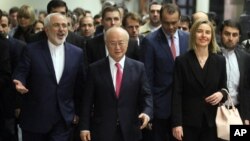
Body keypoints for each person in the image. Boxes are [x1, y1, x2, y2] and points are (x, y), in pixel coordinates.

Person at [12, 13, 85, 141]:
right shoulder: (31, 50)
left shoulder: (77, 53)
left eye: (65, 25)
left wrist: (77, 112)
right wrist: (19, 82)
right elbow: (21, 71)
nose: (62, 29)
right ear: (46, 29)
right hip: (35, 119)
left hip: (63, 120)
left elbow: (80, 86)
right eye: (56, 25)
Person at [79, 26, 153, 141]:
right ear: (106, 44)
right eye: (113, 43)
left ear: (127, 44)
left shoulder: (138, 68)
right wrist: (84, 127)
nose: (117, 47)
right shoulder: (94, 69)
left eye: (121, 43)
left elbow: (146, 95)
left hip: (130, 129)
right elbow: (87, 101)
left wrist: (147, 113)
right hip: (102, 130)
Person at [171, 19, 228, 141]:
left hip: (212, 122)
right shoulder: (182, 61)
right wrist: (177, 123)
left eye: (207, 32)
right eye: (200, 31)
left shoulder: (220, 60)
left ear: (212, 36)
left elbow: (224, 88)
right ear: (193, 35)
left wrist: (221, 93)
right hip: (188, 123)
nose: (204, 35)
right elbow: (176, 94)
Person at [140, 3, 189, 141]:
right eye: (167, 23)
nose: (171, 27)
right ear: (161, 20)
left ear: (180, 19)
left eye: (174, 22)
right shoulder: (149, 41)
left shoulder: (188, 38)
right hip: (160, 107)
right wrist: (149, 109)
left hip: (183, 107)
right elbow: (147, 79)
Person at [219, 19, 250, 125]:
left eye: (234, 35)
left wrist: (246, 116)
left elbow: (246, 89)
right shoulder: (212, 55)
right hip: (215, 113)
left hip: (238, 113)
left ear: (239, 37)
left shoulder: (245, 58)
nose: (230, 38)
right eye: (227, 34)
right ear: (220, 34)